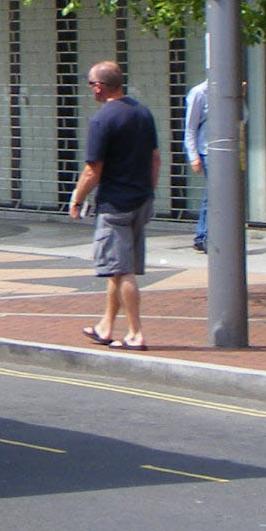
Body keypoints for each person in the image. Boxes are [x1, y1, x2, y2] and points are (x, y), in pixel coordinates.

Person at [68, 59, 159, 350]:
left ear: (98, 86)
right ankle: (105, 326)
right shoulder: (142, 113)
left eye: (90, 84)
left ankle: (135, 333)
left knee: (122, 271)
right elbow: (156, 158)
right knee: (117, 268)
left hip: (115, 205)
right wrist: (149, 191)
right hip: (141, 200)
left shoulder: (102, 120)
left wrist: (77, 199)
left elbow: (93, 170)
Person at [184, 77, 209, 252]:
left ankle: (203, 235)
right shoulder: (199, 93)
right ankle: (203, 236)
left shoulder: (232, 92)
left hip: (228, 152)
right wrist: (193, 156)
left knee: (216, 195)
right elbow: (190, 127)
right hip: (207, 150)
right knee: (215, 195)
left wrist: (240, 97)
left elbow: (243, 118)